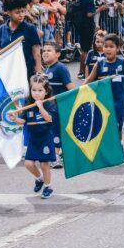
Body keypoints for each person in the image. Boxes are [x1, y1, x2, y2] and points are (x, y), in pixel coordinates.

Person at [13, 75, 58, 199]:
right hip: (34, 139)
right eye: (34, 90)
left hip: (45, 138)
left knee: (44, 164)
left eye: (40, 90)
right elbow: (22, 121)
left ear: (46, 91)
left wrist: (41, 107)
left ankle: (48, 187)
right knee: (28, 164)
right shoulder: (29, 106)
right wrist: (14, 118)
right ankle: (40, 179)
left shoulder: (49, 104)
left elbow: (49, 118)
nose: (36, 93)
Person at [41, 41, 74, 169]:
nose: (45, 53)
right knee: (52, 130)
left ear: (58, 54)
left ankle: (56, 157)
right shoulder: (47, 69)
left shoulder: (60, 68)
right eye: (44, 50)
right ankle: (58, 154)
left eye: (49, 50)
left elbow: (70, 88)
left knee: (56, 130)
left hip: (59, 106)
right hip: (50, 107)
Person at [0, 0, 41, 78]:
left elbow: (36, 53)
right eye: (17, 12)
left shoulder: (30, 29)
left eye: (23, 11)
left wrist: (38, 72)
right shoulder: (1, 30)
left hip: (27, 71)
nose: (21, 15)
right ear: (9, 12)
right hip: (8, 72)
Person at [72, 0, 99, 79]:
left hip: (79, 24)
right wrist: (100, 8)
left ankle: (81, 71)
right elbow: (89, 14)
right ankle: (83, 72)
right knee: (86, 50)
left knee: (84, 49)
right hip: (87, 25)